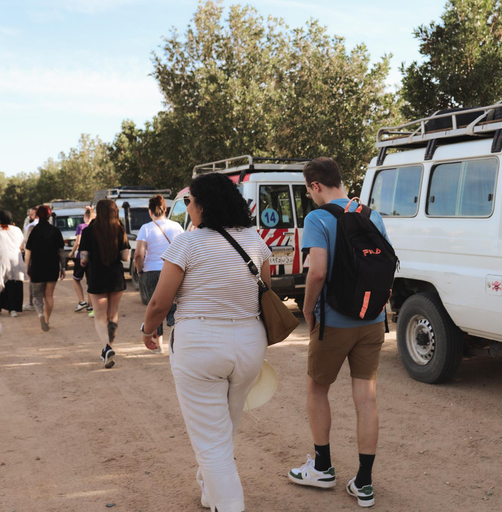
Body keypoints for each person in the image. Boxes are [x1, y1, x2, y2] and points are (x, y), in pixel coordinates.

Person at [141, 172, 270, 512]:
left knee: (211, 440)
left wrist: (147, 330)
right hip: (249, 343)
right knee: (224, 427)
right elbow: (263, 295)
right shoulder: (255, 241)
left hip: (199, 344)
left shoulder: (188, 242)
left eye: (190, 201)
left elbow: (159, 302)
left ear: (203, 204)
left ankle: (228, 505)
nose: (189, 208)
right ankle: (209, 493)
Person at [288, 157, 390, 508]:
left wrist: (306, 309)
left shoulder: (317, 218)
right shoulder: (371, 214)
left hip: (333, 322)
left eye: (308, 189)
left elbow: (316, 272)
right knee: (366, 398)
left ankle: (322, 467)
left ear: (316, 186)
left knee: (317, 389)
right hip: (372, 321)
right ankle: (363, 483)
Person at [79, 199, 130, 368]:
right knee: (112, 315)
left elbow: (84, 258)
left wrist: (84, 261)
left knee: (99, 316)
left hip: (97, 276)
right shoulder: (119, 229)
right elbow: (125, 257)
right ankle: (110, 347)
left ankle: (106, 347)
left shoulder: (88, 231)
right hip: (115, 276)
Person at [134, 194, 183, 353]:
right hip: (173, 270)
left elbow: (139, 254)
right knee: (174, 306)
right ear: (165, 209)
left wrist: (139, 270)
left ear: (150, 211)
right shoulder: (177, 226)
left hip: (151, 272)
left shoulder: (146, 228)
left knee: (154, 306)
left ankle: (159, 345)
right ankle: (176, 343)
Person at [24, 205, 65, 331]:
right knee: (49, 295)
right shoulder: (56, 231)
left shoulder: (34, 231)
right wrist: (62, 267)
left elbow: (28, 251)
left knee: (37, 296)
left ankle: (41, 314)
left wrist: (27, 267)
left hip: (37, 267)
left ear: (37, 215)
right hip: (52, 267)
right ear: (49, 215)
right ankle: (47, 320)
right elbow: (61, 252)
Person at [0, 210, 26, 317]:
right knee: (14, 284)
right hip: (15, 260)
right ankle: (13, 309)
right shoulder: (16, 230)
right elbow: (22, 245)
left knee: (1, 283)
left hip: (1, 261)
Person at [68, 206, 95, 315]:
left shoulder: (81, 226)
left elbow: (78, 242)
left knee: (76, 279)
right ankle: (90, 305)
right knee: (90, 281)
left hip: (81, 256)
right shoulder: (95, 227)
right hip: (92, 256)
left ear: (85, 216)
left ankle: (81, 301)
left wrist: (72, 252)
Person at [21, 206, 38, 311]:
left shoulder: (30, 227)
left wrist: (26, 264)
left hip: (33, 257)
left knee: (32, 280)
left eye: (31, 214)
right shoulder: (49, 226)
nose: (30, 216)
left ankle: (32, 302)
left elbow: (27, 245)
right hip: (45, 257)